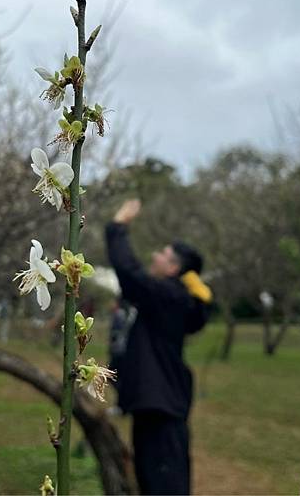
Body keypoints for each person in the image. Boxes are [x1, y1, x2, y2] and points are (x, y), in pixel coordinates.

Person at [105, 199, 213, 495]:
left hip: (161, 410)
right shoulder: (171, 299)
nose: (155, 256)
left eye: (163, 254)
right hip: (155, 407)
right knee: (153, 482)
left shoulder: (171, 296)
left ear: (174, 268)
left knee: (164, 486)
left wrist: (118, 228)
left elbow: (131, 274)